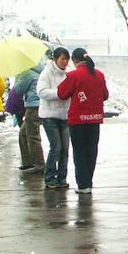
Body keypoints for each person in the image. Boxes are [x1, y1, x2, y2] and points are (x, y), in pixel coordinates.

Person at [57, 47, 108, 193]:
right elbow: (105, 95)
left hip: (78, 121)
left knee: (79, 152)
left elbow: (62, 93)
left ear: (75, 60)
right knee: (92, 150)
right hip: (95, 120)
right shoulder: (99, 74)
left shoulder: (73, 75)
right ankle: (88, 182)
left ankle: (83, 185)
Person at [35, 46, 72, 189]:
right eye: (62, 59)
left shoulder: (68, 74)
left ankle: (62, 178)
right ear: (55, 59)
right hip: (49, 116)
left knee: (65, 148)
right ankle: (49, 177)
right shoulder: (46, 73)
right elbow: (41, 92)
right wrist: (59, 93)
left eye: (66, 59)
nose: (65, 62)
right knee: (56, 147)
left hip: (65, 116)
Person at [14, 58, 45, 173]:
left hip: (32, 107)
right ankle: (28, 162)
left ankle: (39, 165)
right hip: (40, 105)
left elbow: (18, 89)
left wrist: (18, 77)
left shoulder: (27, 73)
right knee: (23, 133)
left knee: (32, 136)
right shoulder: (40, 70)